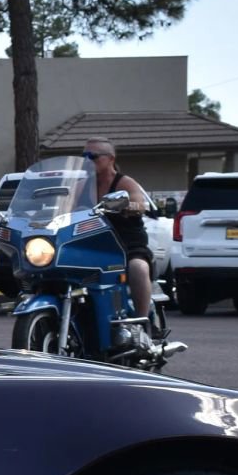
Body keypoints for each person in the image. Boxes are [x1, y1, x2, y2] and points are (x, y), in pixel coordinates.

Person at [85, 138, 159, 353]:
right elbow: (64, 205)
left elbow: (140, 203)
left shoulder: (124, 183)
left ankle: (142, 323)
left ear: (110, 159)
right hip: (94, 244)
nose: (88, 161)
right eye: (84, 156)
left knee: (138, 267)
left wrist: (129, 205)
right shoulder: (81, 185)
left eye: (93, 156)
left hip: (128, 245)